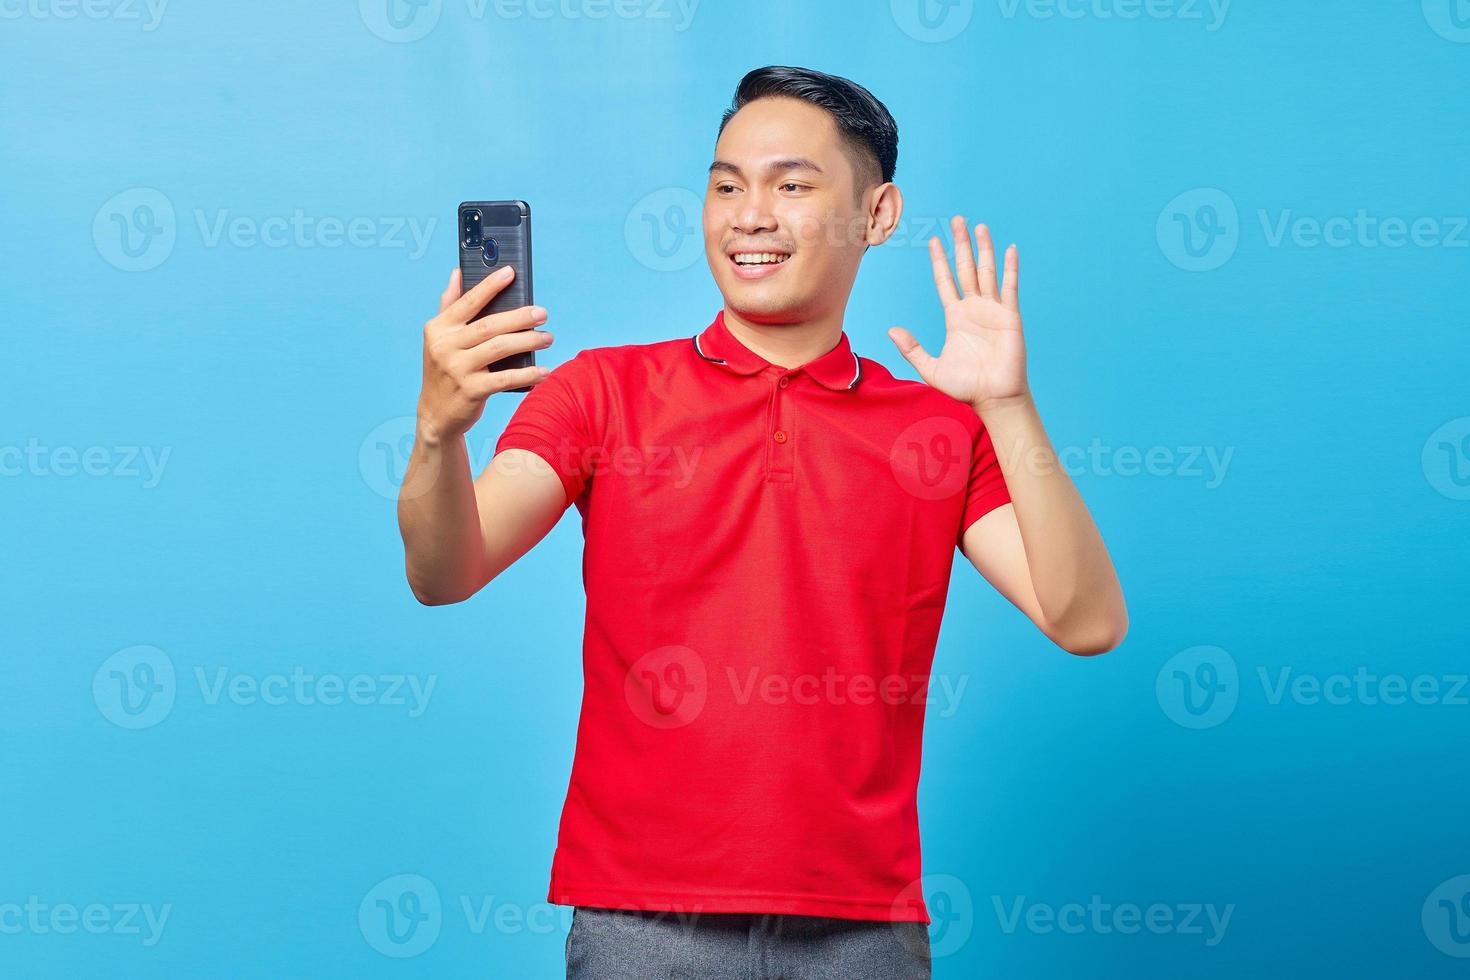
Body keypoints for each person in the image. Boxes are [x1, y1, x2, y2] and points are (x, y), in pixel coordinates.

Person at [397, 65, 1128, 980]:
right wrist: (437, 433)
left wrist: (1010, 407)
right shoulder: (604, 392)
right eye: (727, 185)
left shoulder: (936, 427)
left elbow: (1087, 621)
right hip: (640, 922)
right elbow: (445, 571)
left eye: (792, 185)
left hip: (861, 928)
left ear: (879, 213)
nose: (749, 215)